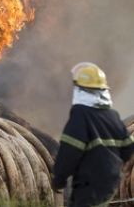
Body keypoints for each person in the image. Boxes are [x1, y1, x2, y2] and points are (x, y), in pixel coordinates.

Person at [52, 62, 134, 207]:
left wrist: (59, 179)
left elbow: (69, 151)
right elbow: (128, 150)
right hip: (110, 185)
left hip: (89, 185)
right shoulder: (112, 116)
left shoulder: (80, 115)